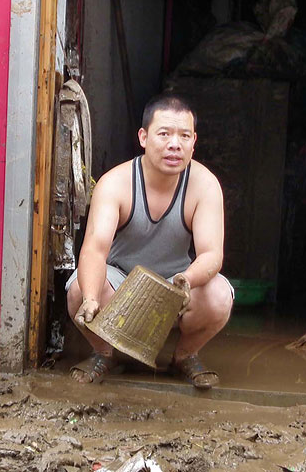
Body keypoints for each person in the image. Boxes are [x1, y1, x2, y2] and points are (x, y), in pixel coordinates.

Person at [66, 94, 233, 389]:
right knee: (81, 289)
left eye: (184, 136)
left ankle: (185, 356)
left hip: (176, 283)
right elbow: (94, 249)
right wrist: (92, 298)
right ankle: (104, 353)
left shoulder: (204, 185)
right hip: (120, 282)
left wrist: (186, 280)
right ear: (143, 137)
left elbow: (211, 254)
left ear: (194, 142)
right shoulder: (115, 182)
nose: (175, 144)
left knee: (219, 295)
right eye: (164, 134)